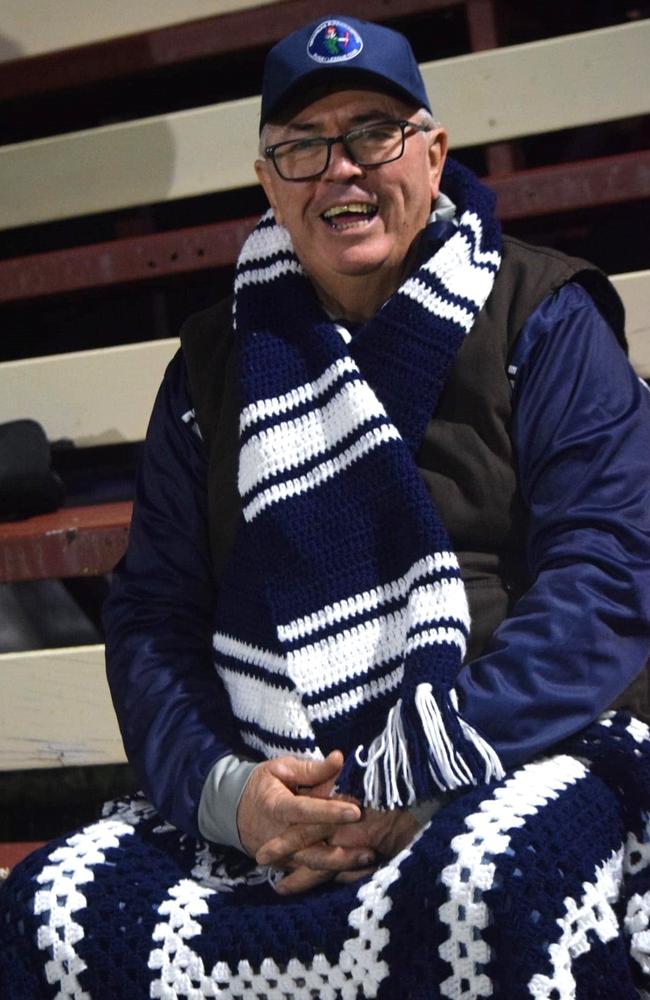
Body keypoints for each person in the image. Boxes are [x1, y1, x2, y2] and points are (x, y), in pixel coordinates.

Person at [2, 14, 650, 999]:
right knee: (45, 907)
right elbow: (152, 614)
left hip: (507, 742)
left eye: (373, 133)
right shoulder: (212, 364)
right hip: (275, 784)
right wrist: (233, 797)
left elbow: (606, 568)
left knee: (486, 896)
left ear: (431, 155)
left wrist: (409, 773)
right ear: (267, 183)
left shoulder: (540, 312)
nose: (339, 171)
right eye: (302, 147)